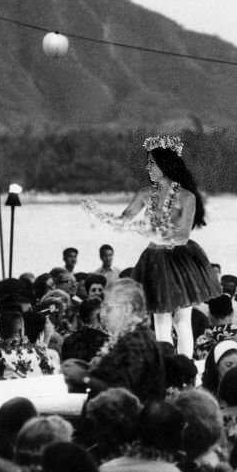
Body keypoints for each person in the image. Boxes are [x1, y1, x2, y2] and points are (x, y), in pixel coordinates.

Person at [84, 135, 220, 357]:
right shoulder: (146, 194)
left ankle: (185, 366)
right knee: (160, 317)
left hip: (181, 259)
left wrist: (156, 235)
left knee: (182, 319)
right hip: (155, 259)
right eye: (148, 162)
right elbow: (124, 219)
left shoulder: (187, 197)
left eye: (152, 163)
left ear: (166, 164)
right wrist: (99, 214)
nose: (148, 167)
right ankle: (165, 365)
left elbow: (183, 235)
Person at [61, 278, 166, 402]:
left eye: (108, 309)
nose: (102, 315)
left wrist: (84, 378)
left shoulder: (136, 343)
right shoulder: (131, 338)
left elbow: (123, 396)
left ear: (127, 309)